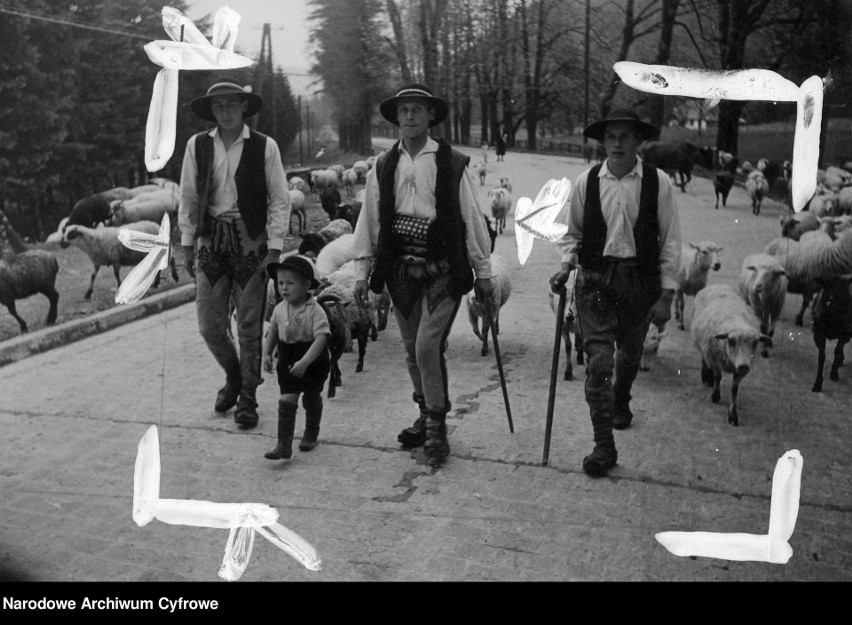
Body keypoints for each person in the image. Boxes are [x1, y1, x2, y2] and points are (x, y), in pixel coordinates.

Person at [351, 83, 494, 465]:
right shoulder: (382, 165)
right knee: (412, 352)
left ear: (432, 115)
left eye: (418, 109)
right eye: (404, 110)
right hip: (400, 271)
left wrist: (484, 272)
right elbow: (369, 220)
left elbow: (471, 217)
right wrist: (361, 273)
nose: (410, 116)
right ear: (395, 117)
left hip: (443, 271)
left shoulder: (451, 162)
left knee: (427, 347)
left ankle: (437, 431)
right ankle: (425, 415)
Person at [549, 108, 682, 477]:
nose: (618, 143)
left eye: (625, 136)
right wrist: (565, 267)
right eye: (611, 137)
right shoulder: (586, 182)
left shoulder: (659, 183)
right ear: (603, 142)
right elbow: (570, 233)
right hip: (595, 284)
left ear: (638, 141)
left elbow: (671, 241)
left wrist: (667, 294)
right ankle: (603, 445)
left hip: (639, 285)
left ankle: (622, 396)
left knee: (629, 358)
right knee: (599, 364)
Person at [178, 76, 290, 429]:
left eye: (231, 104)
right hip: (211, 238)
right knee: (210, 325)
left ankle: (248, 398)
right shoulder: (198, 146)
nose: (225, 111)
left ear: (244, 107)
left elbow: (280, 199)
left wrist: (274, 248)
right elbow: (189, 197)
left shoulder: (263, 146)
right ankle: (234, 375)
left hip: (251, 239)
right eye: (218, 106)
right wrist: (186, 241)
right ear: (211, 111)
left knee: (249, 324)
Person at [263, 255, 330, 460]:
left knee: (310, 398)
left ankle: (311, 432)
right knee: (286, 400)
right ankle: (283, 444)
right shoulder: (279, 308)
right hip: (287, 357)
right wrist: (266, 353)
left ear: (307, 285)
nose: (284, 288)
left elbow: (321, 339)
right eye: (280, 283)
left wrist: (305, 362)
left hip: (312, 360)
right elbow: (273, 331)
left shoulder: (315, 311)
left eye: (290, 283)